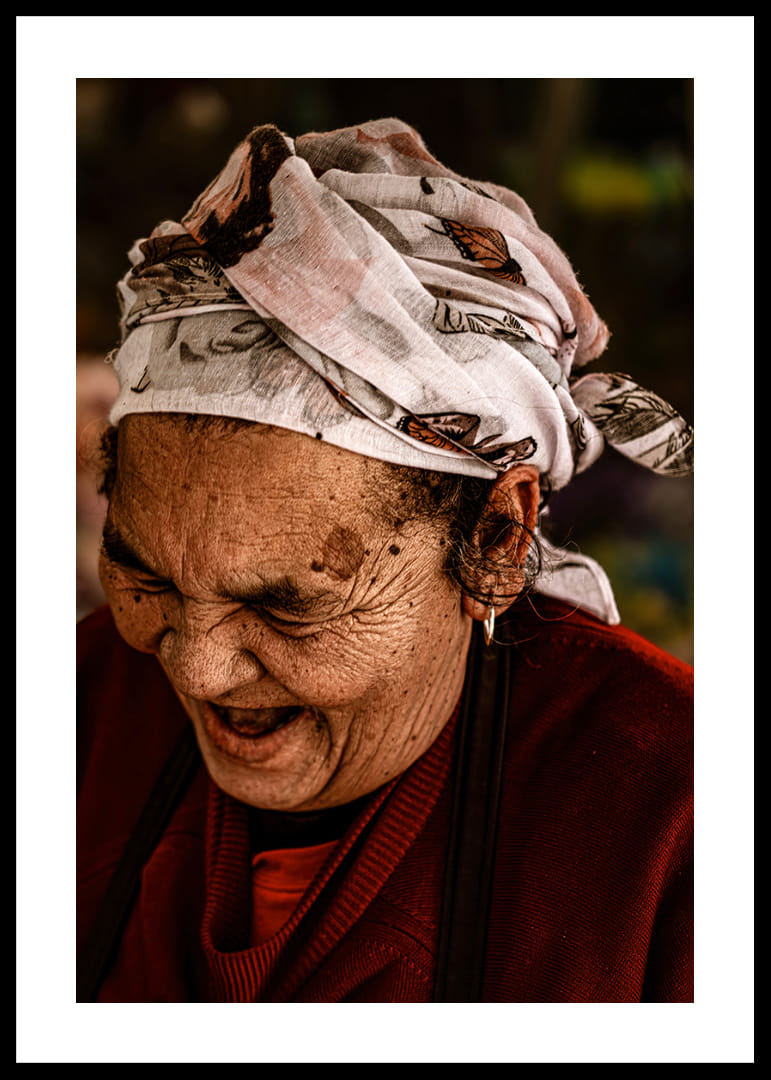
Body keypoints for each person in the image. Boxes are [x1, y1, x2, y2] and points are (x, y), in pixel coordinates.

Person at [76, 117, 694, 1003]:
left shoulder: (677, 814)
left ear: (495, 541)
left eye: (287, 604)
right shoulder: (76, 710)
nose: (198, 667)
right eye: (147, 578)